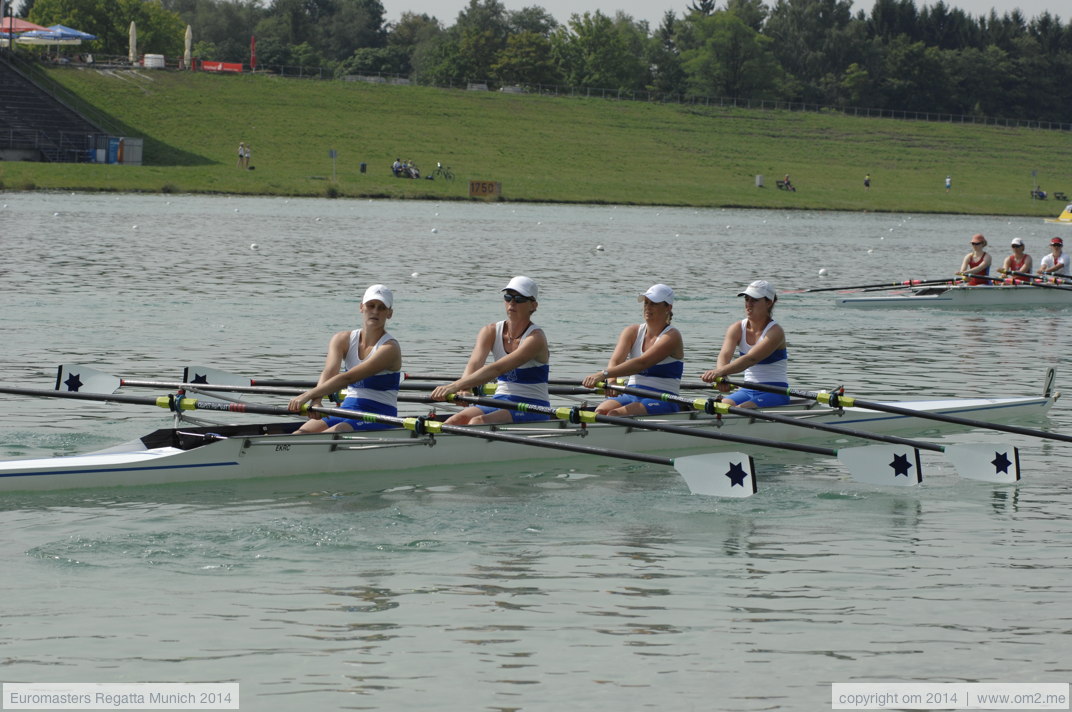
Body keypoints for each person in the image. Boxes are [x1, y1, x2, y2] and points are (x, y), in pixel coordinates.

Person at [430, 276, 551, 425]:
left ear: (533, 305)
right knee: (454, 421)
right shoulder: (490, 331)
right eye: (508, 297)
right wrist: (465, 387)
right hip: (500, 400)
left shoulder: (535, 338)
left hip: (533, 406)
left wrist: (454, 386)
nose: (512, 303)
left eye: (519, 299)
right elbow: (475, 363)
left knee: (478, 421)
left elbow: (498, 368)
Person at [287, 285, 402, 433]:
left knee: (333, 432)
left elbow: (348, 378)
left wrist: (306, 395)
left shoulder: (389, 348)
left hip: (380, 415)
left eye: (381, 308)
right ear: (361, 307)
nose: (375, 311)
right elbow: (330, 372)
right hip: (347, 410)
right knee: (301, 433)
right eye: (371, 305)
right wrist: (316, 401)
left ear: (389, 313)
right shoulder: (342, 339)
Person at [581, 284, 684, 415]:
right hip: (632, 393)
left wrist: (603, 374)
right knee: (600, 411)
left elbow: (642, 363)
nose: (648, 307)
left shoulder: (671, 336)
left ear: (668, 308)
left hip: (663, 398)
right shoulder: (632, 331)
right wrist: (612, 382)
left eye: (654, 304)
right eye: (646, 303)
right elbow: (616, 361)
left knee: (614, 414)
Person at [700, 280, 789, 408]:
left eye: (754, 300)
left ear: (769, 302)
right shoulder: (736, 328)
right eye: (747, 299)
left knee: (740, 409)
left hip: (775, 392)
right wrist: (723, 377)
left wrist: (718, 372)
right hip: (747, 390)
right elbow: (724, 356)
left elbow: (750, 358)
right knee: (719, 407)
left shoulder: (775, 332)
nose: (749, 304)